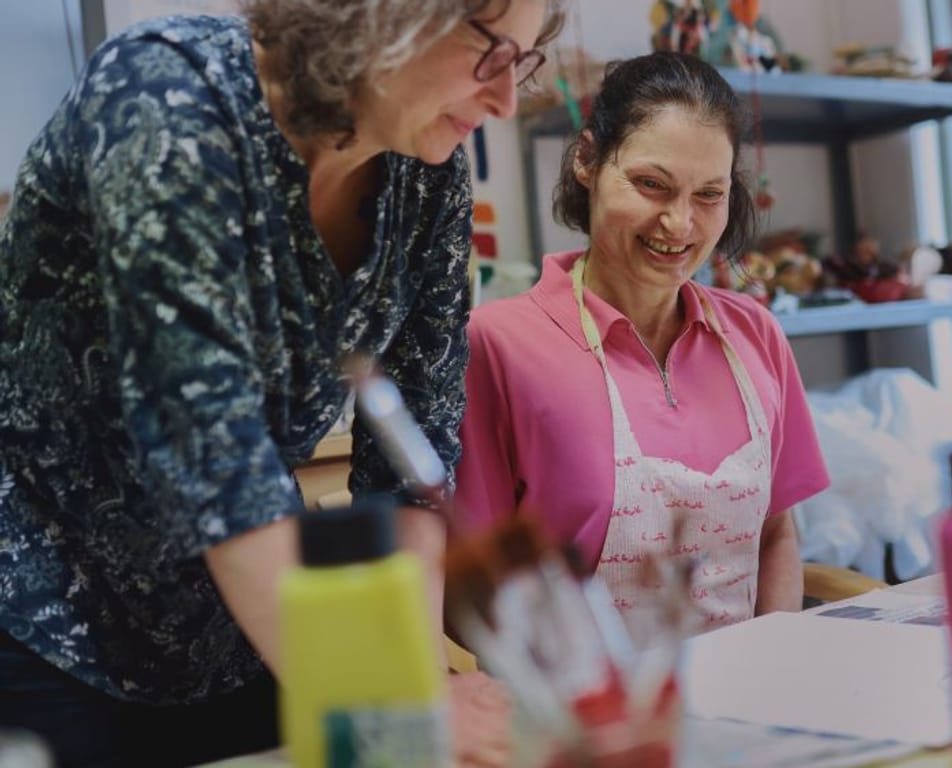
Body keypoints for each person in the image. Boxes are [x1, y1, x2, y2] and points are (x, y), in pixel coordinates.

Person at [0, 1, 561, 765]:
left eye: (521, 65)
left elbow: (411, 453)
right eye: (493, 55)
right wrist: (386, 707)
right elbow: (211, 453)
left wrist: (416, 678)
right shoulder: (166, 94)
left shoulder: (427, 176)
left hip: (238, 626)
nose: (505, 102)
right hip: (47, 625)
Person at [454, 52, 830, 633]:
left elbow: (777, 531)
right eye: (652, 185)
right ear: (587, 160)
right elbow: (472, 586)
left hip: (750, 694)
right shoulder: (498, 346)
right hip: (581, 712)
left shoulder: (756, 334)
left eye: (709, 194)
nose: (679, 225)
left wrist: (776, 657)